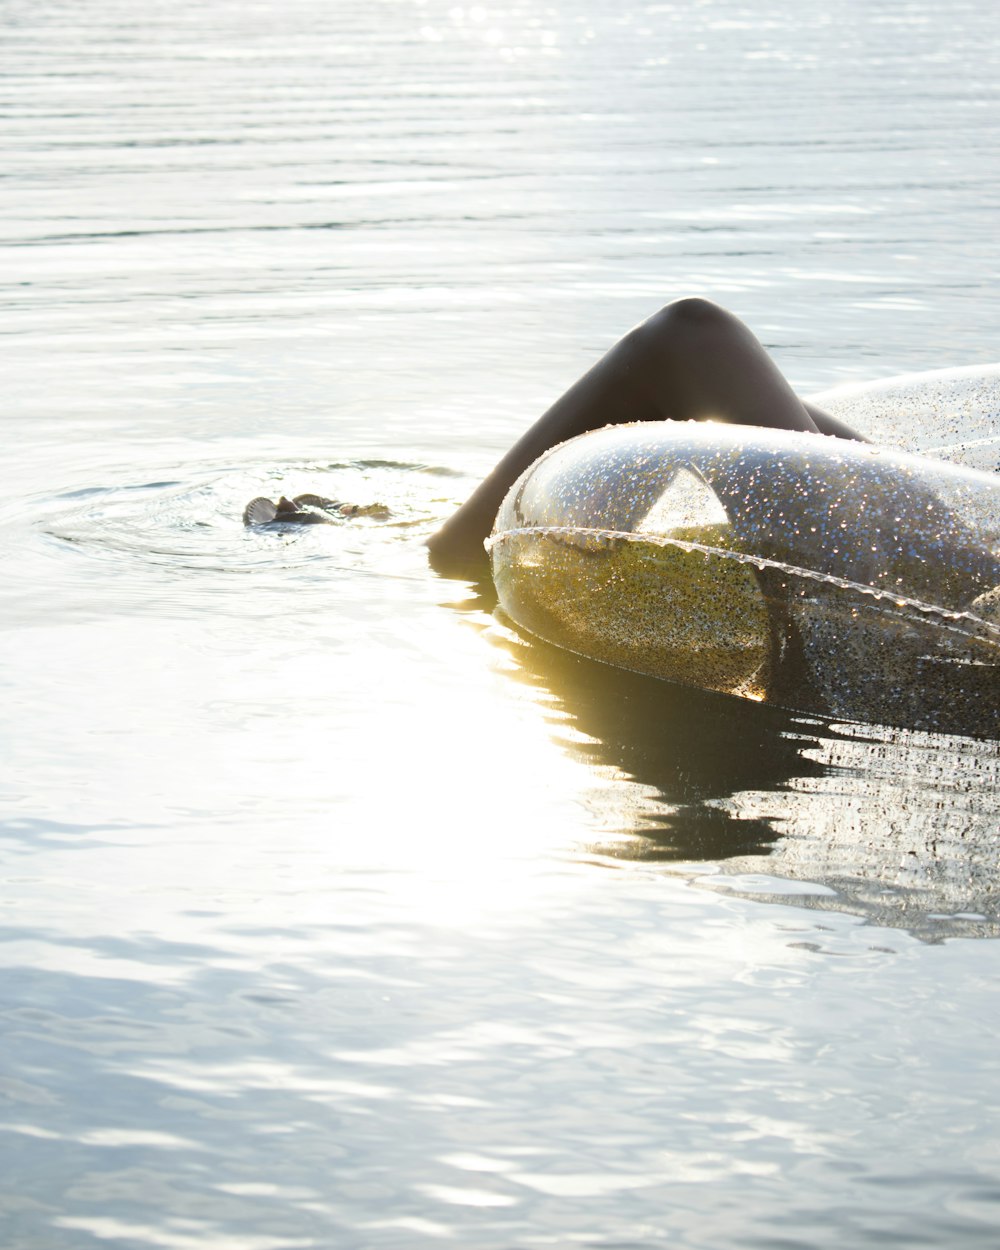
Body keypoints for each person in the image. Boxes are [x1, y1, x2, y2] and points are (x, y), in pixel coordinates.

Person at [427, 297, 867, 566]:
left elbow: (687, 344)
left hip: (898, 589)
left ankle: (466, 554)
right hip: (923, 542)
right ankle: (461, 552)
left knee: (689, 338)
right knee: (697, 383)